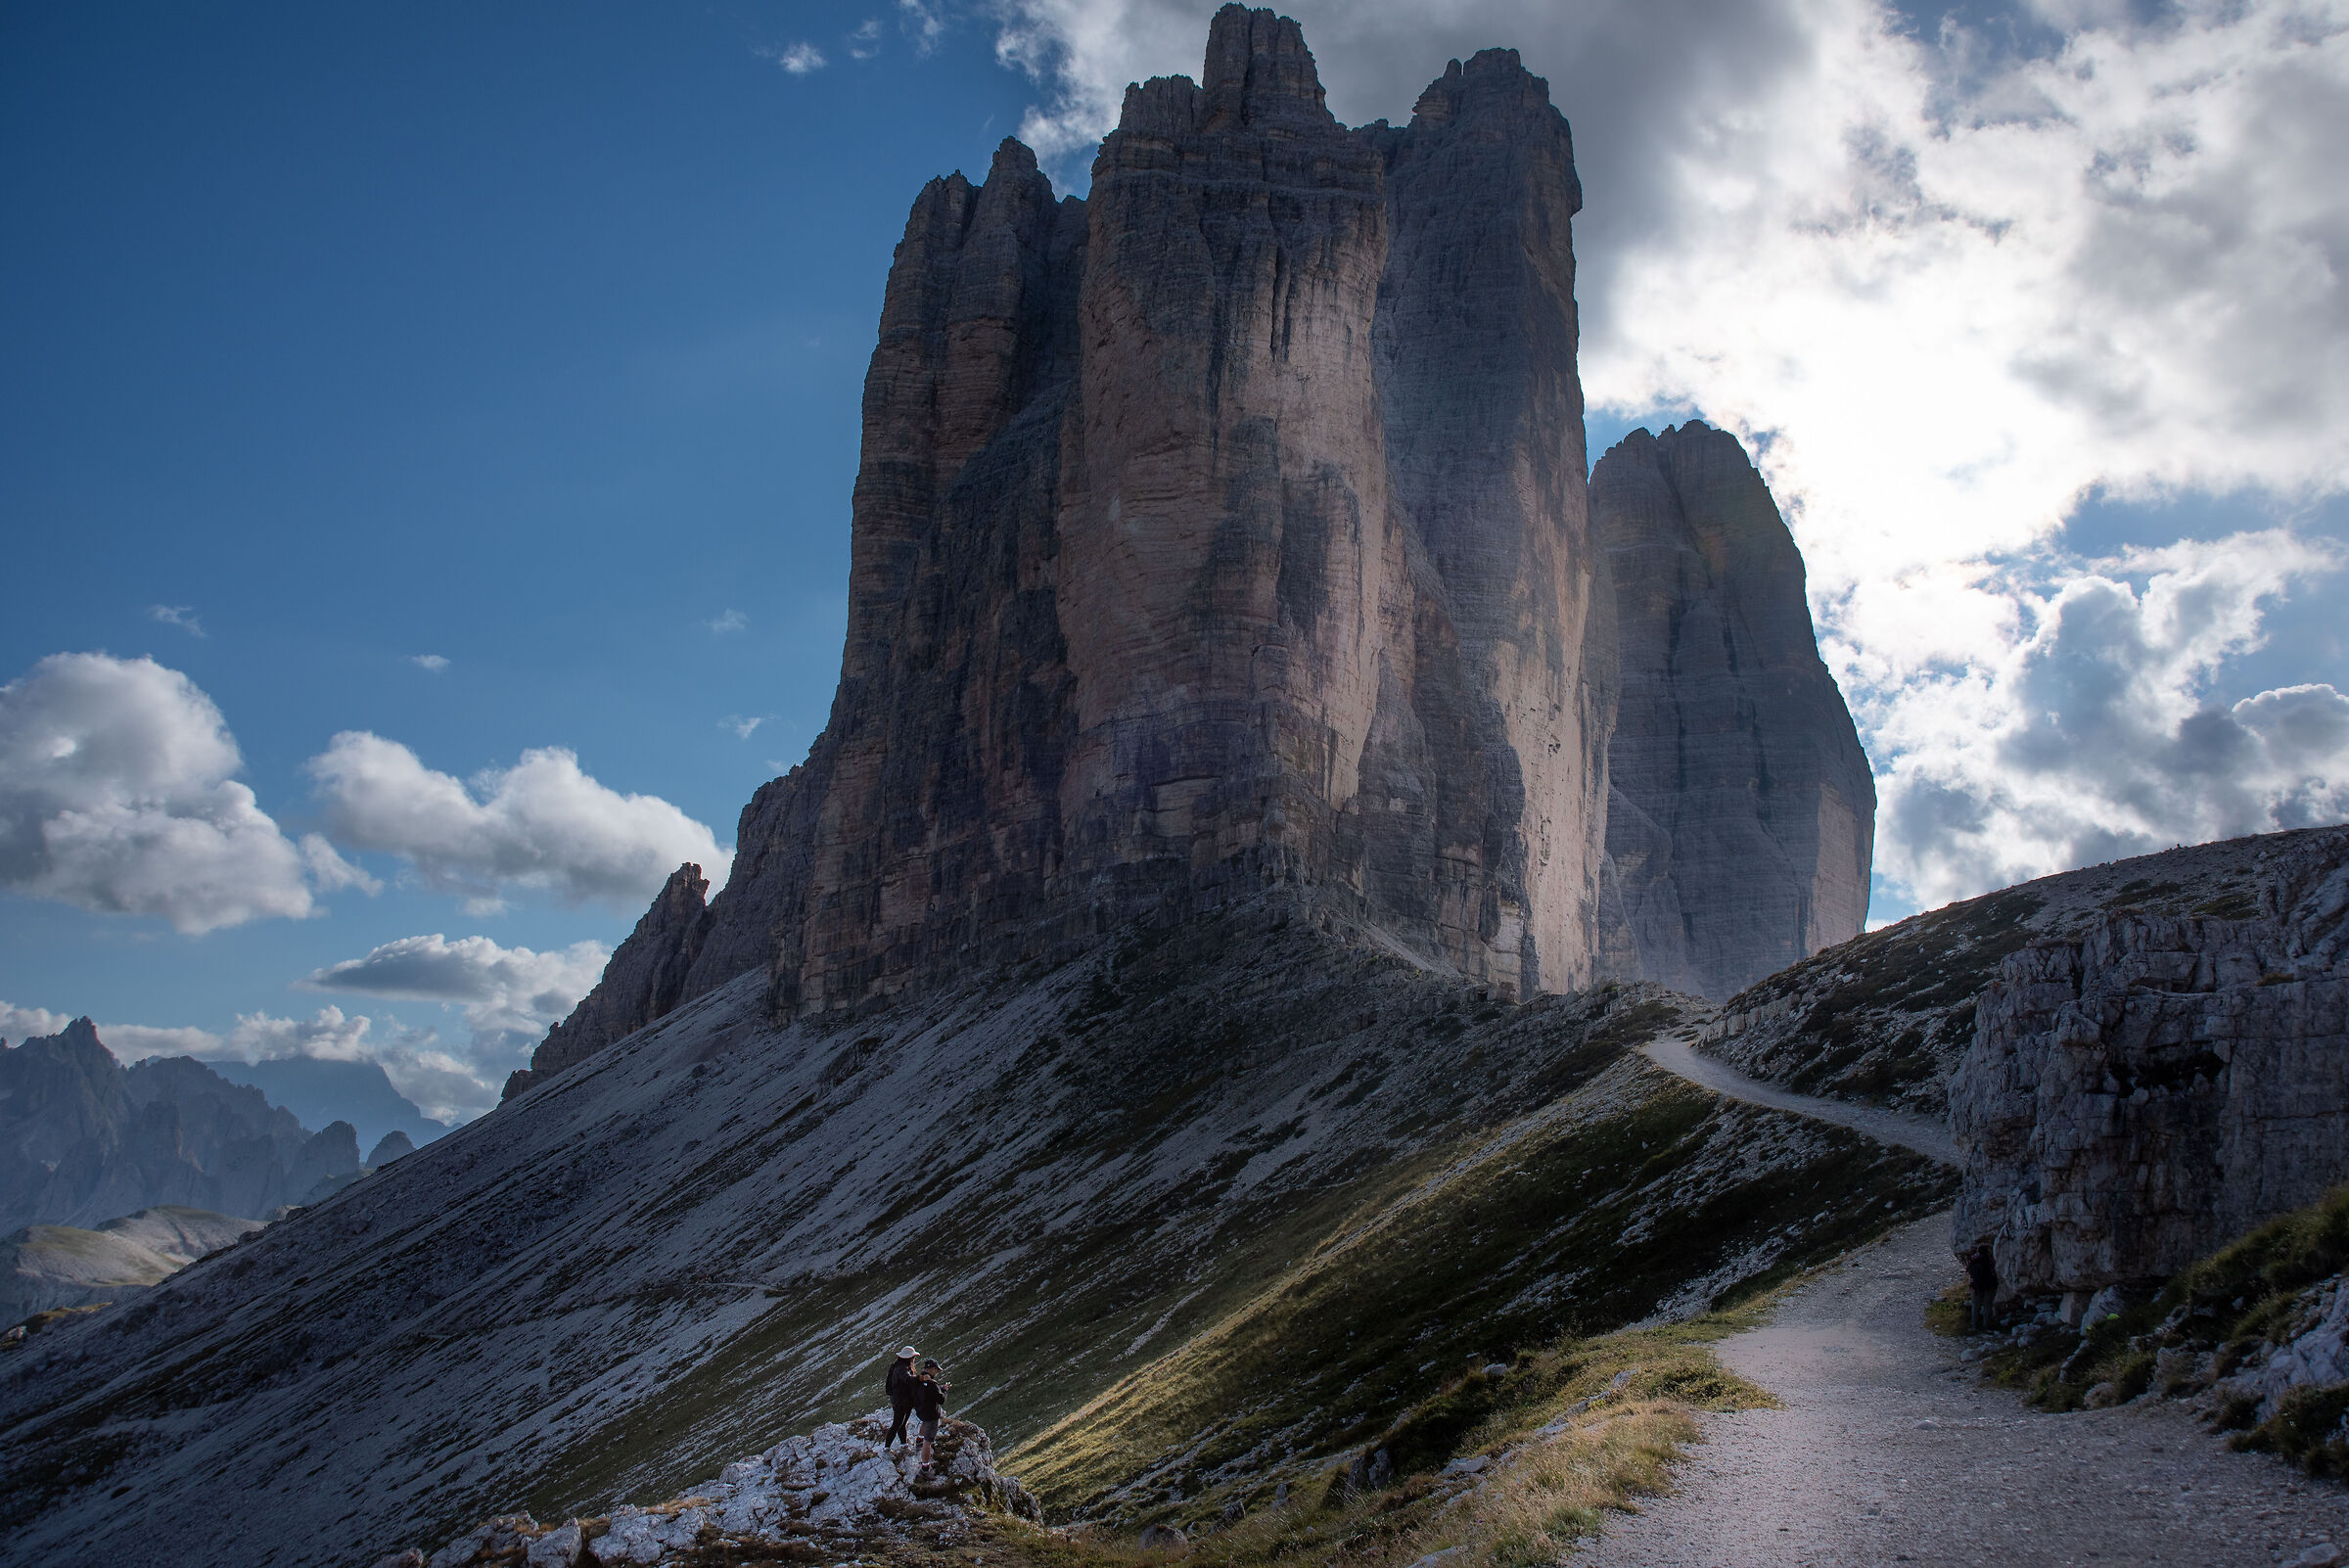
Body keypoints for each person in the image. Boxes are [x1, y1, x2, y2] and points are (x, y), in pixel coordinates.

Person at [911, 1357, 950, 1468]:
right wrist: (944, 1390)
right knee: (928, 1442)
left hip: (921, 1411)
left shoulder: (919, 1379)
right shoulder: (932, 1383)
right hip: (931, 1415)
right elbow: (941, 1399)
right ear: (932, 1369)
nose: (937, 1372)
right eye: (936, 1370)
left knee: (924, 1423)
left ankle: (919, 1439)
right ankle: (925, 1467)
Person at [886, 1345, 919, 1449]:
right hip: (901, 1401)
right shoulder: (902, 1368)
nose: (914, 1359)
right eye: (913, 1357)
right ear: (909, 1358)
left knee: (901, 1423)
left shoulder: (899, 1366)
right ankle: (887, 1447)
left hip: (903, 1400)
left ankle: (903, 1445)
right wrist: (920, 1379)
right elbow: (908, 1379)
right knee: (897, 1424)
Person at [1964, 1241, 2000, 1332]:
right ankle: (1987, 1325)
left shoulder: (1973, 1260)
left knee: (1975, 1306)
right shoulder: (1989, 1259)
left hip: (1975, 1287)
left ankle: (1974, 1326)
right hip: (1989, 1286)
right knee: (1988, 1306)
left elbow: (1969, 1269)